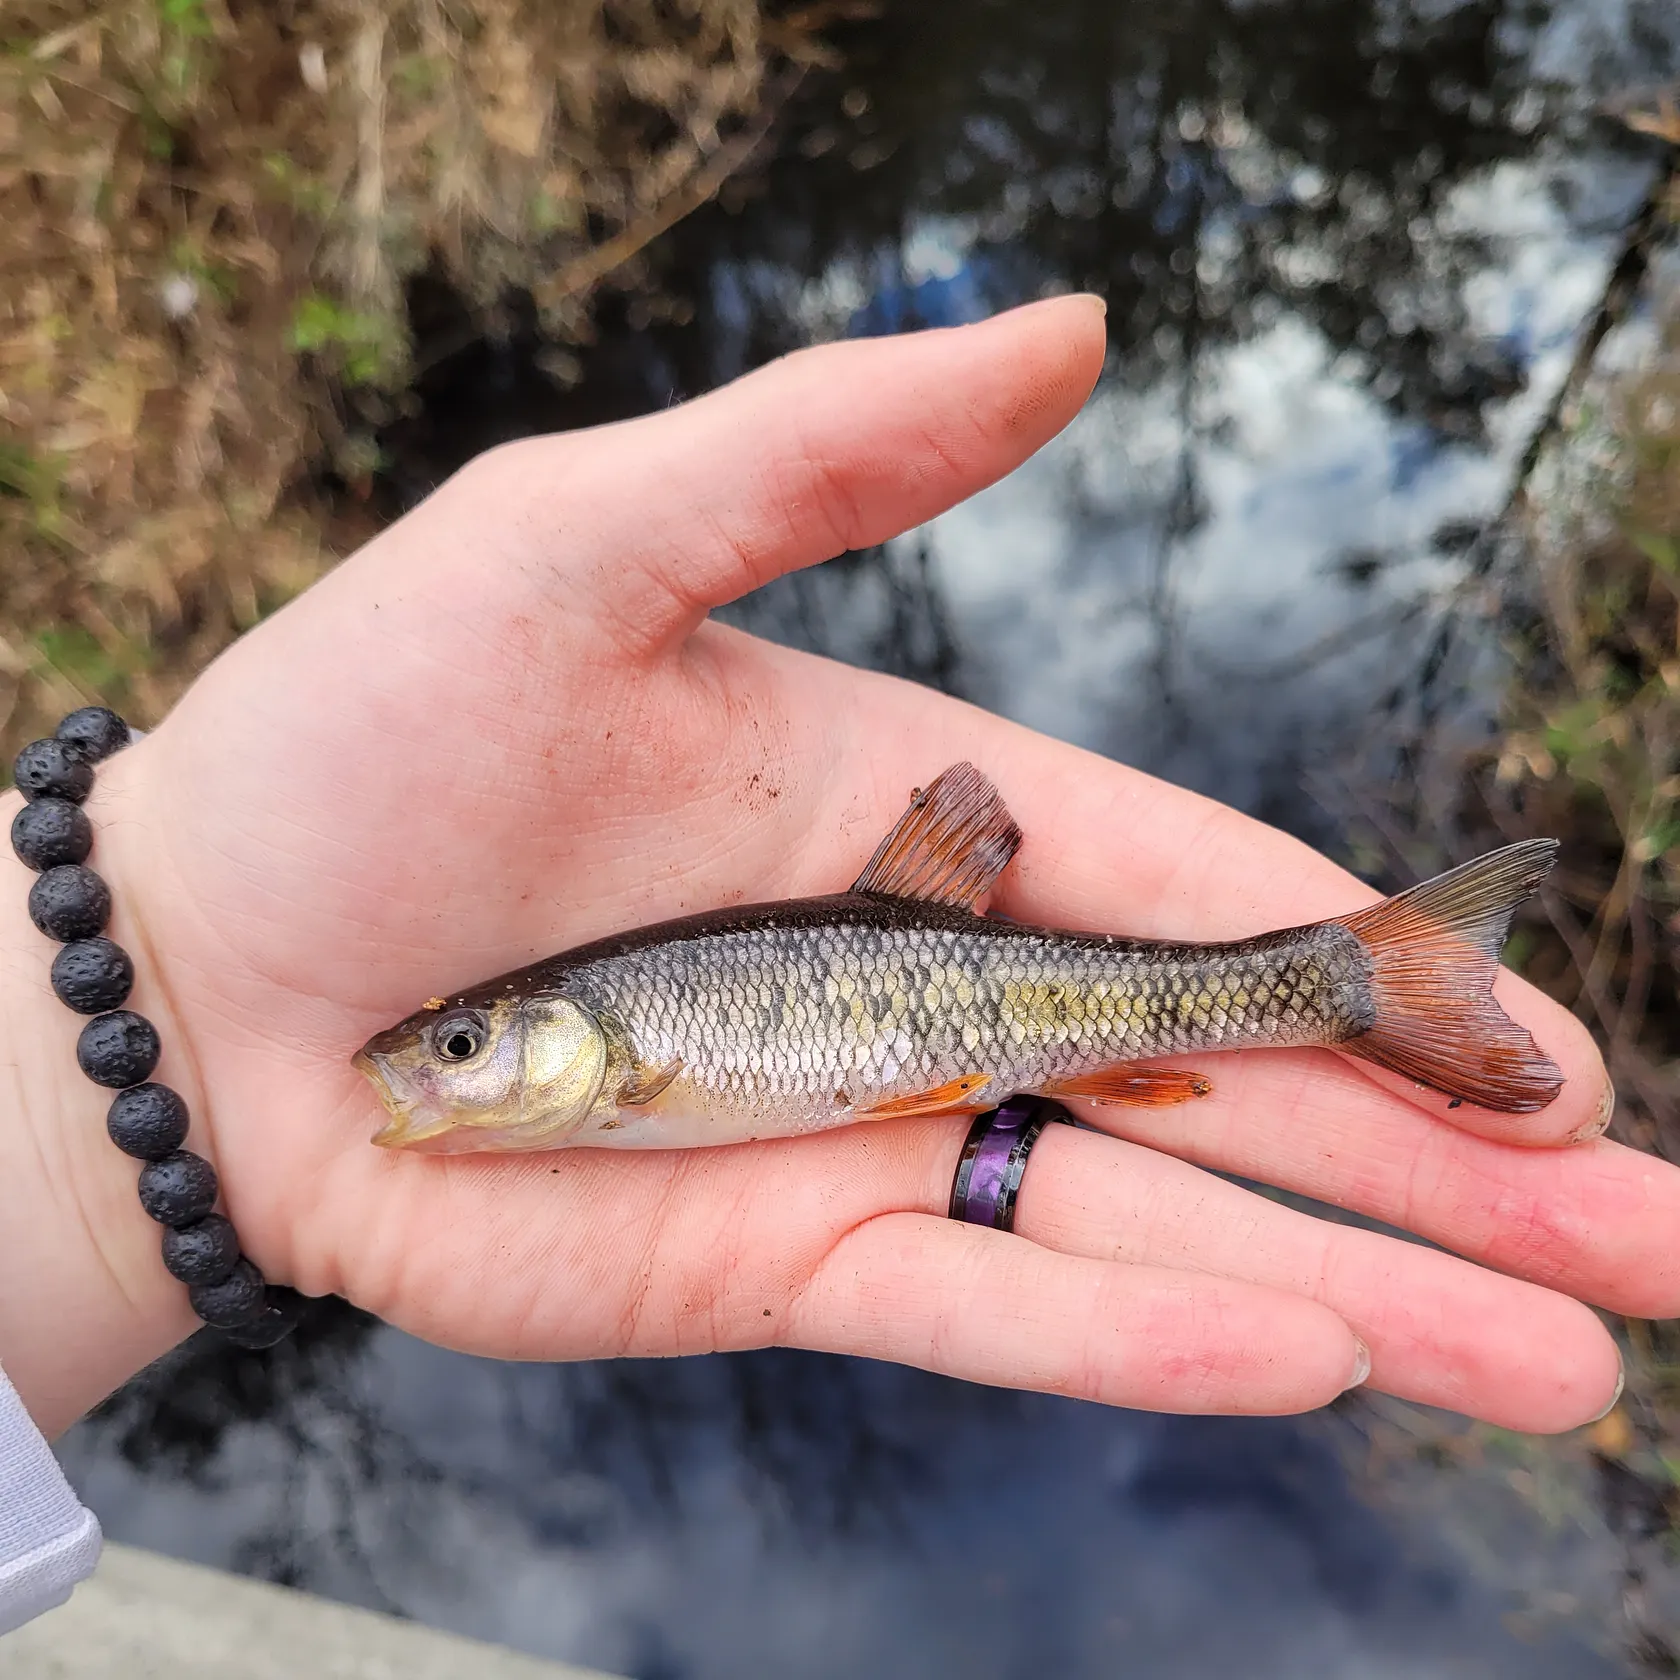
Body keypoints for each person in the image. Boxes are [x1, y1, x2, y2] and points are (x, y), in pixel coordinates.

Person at [2, 296, 1671, 1631]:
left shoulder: (628, 1056)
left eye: (461, 1054)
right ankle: (1348, 982)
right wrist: (159, 996)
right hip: (976, 1014)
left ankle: (1352, 980)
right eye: (457, 1056)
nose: (435, 1074)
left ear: (566, 1042)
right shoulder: (583, 1060)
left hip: (981, 1006)